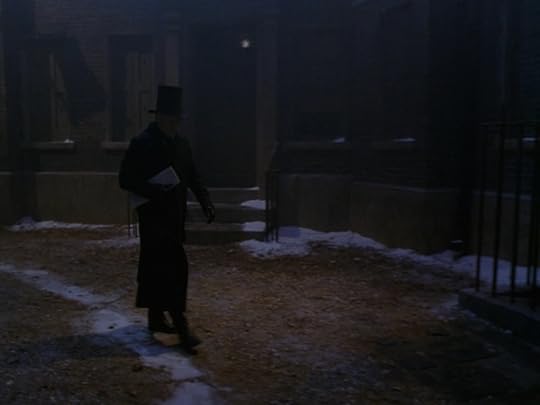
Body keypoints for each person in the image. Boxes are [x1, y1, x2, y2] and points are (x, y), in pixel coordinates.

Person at [119, 85, 215, 354]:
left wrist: (206, 202)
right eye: (170, 119)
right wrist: (154, 190)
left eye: (177, 119)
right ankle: (181, 325)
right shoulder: (142, 143)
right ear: (159, 117)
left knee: (155, 267)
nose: (174, 124)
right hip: (152, 217)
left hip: (174, 217)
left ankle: (155, 317)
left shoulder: (181, 144)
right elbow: (125, 179)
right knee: (175, 268)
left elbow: (192, 176)